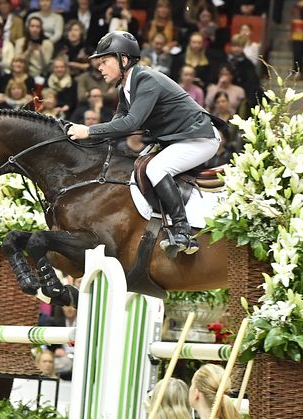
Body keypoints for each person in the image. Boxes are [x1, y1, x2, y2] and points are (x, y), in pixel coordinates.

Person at [67, 31, 224, 256]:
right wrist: (84, 143)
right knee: (142, 165)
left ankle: (182, 231)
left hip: (199, 138)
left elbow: (131, 123)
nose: (99, 67)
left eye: (104, 61)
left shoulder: (146, 79)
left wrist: (89, 130)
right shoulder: (125, 87)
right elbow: (116, 125)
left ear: (123, 60)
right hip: (178, 139)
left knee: (156, 167)